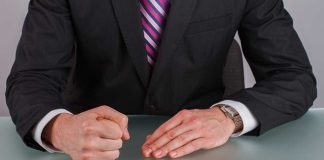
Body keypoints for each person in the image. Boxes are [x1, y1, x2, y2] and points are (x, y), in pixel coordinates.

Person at [6, 0, 317, 159]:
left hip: (205, 151)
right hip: (92, 148)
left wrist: (228, 117)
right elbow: (31, 77)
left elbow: (293, 76)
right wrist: (58, 129)